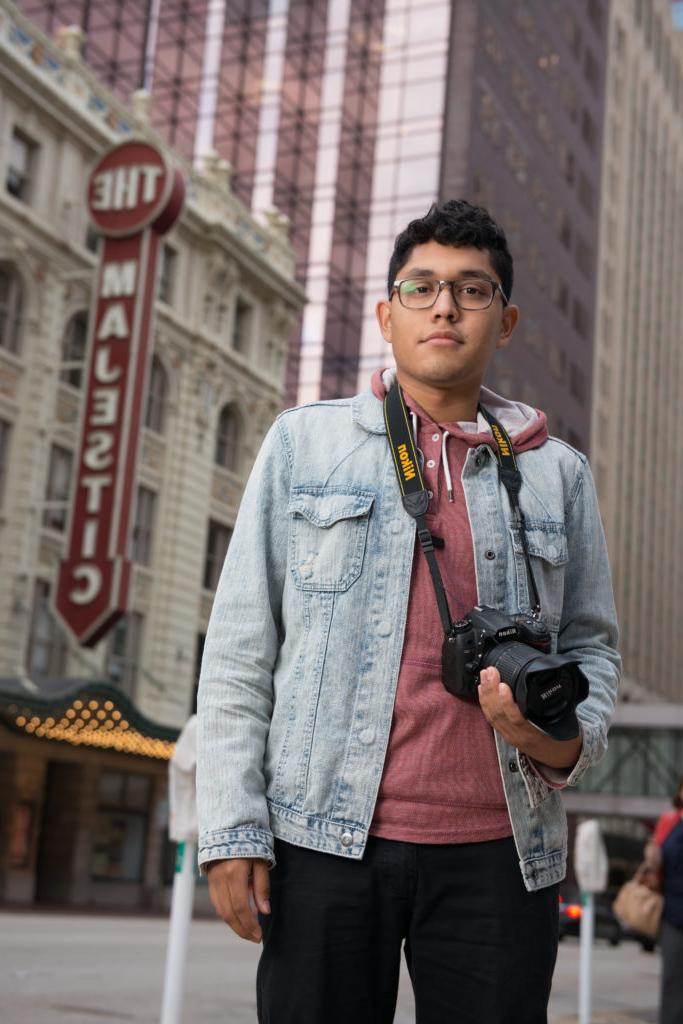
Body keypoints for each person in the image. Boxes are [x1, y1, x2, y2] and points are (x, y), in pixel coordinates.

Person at [196, 200, 621, 1024]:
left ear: (505, 321)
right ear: (388, 315)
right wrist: (233, 830)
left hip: (503, 853)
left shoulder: (557, 475)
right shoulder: (302, 445)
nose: (445, 307)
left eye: (471, 290)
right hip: (321, 843)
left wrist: (562, 738)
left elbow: (592, 648)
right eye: (421, 288)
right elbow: (241, 652)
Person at [645, 775, 683, 1024]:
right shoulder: (669, 822)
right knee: (672, 983)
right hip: (674, 914)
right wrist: (651, 856)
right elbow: (655, 861)